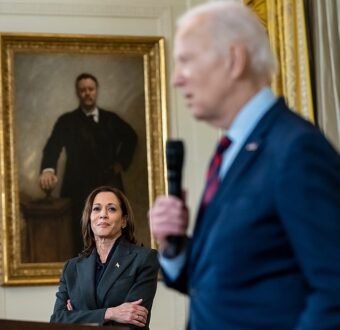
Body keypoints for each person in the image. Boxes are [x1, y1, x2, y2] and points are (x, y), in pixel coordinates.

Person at [149, 1, 340, 329]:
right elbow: (225, 281)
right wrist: (174, 247)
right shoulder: (232, 150)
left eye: (186, 61)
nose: (177, 79)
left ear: (234, 60)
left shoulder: (296, 149)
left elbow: (334, 290)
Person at [39, 73, 137, 254]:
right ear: (78, 93)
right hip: (78, 189)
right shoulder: (66, 121)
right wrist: (48, 169)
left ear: (96, 91)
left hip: (109, 185)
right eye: (83, 90)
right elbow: (53, 146)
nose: (87, 93)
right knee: (80, 239)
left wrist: (121, 162)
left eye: (90, 89)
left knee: (115, 235)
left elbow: (131, 137)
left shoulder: (110, 119)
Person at [51, 185, 159, 329]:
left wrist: (78, 315)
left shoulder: (144, 259)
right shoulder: (71, 268)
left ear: (124, 221)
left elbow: (133, 322)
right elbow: (57, 320)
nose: (103, 214)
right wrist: (110, 313)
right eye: (96, 209)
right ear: (89, 219)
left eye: (111, 209)